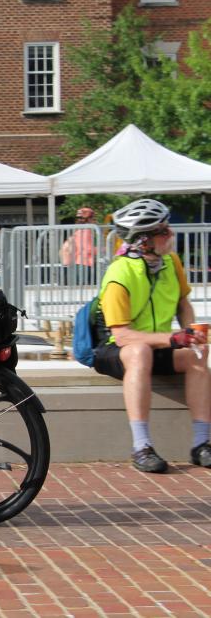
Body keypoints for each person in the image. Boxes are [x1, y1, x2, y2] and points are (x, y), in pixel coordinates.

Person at [92, 198, 211, 473]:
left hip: (158, 344)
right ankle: (141, 446)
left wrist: (189, 332)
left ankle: (201, 444)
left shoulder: (172, 262)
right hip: (116, 349)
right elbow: (122, 336)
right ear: (143, 240)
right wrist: (172, 339)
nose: (171, 234)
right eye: (163, 231)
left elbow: (183, 303)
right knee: (139, 352)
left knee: (199, 353)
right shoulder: (118, 275)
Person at [61, 207, 97, 284]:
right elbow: (88, 250)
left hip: (75, 265)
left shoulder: (78, 232)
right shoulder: (86, 231)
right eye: (93, 218)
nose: (95, 220)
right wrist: (101, 249)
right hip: (84, 265)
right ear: (89, 219)